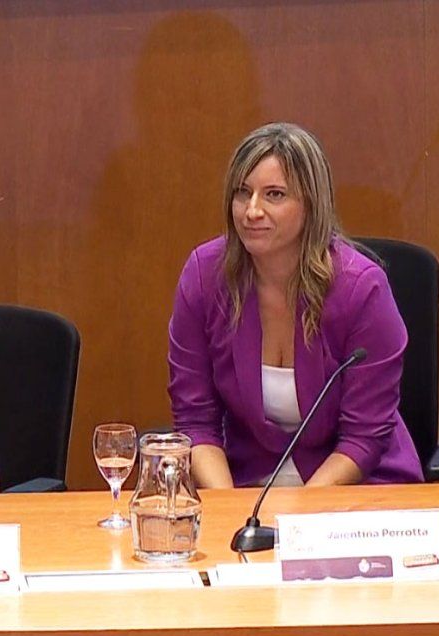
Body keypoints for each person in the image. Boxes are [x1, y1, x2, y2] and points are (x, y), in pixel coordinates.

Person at [168, 122, 423, 488]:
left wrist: (299, 516)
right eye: (243, 193)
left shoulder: (362, 289)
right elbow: (196, 420)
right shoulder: (205, 277)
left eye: (274, 195)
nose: (252, 211)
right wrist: (229, 510)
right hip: (246, 486)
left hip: (356, 490)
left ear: (311, 204)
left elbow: (363, 438)